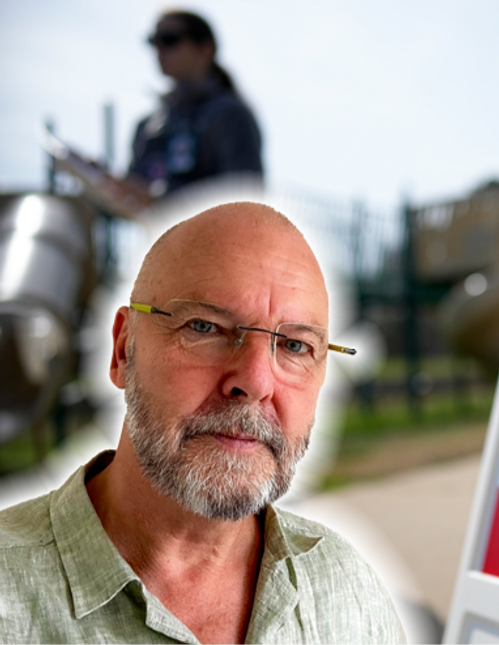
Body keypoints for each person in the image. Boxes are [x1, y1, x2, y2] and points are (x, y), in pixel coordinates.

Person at [0, 203, 406, 644]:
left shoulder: (348, 592)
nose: (253, 381)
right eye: (205, 326)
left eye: (294, 345)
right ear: (122, 350)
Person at [125, 11, 263, 203]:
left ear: (206, 48)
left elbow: (244, 197)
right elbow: (134, 190)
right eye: (153, 41)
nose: (159, 49)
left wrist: (160, 198)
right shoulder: (149, 126)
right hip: (156, 233)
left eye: (169, 40)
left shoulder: (228, 114)